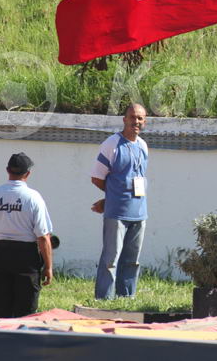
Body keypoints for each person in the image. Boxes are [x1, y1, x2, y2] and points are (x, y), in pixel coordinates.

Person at [0, 152, 53, 318]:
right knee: (25, 311)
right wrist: (48, 267)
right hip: (26, 258)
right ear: (28, 173)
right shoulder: (33, 198)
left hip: (0, 255)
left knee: (0, 309)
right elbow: (42, 237)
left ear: (7, 170)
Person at [90, 103, 149, 299]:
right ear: (124, 119)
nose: (136, 122)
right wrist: (112, 197)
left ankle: (127, 297)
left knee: (132, 260)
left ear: (145, 121)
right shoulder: (112, 143)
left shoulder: (143, 145)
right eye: (132, 117)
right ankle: (104, 298)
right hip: (117, 213)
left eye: (140, 118)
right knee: (111, 259)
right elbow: (97, 177)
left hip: (139, 212)